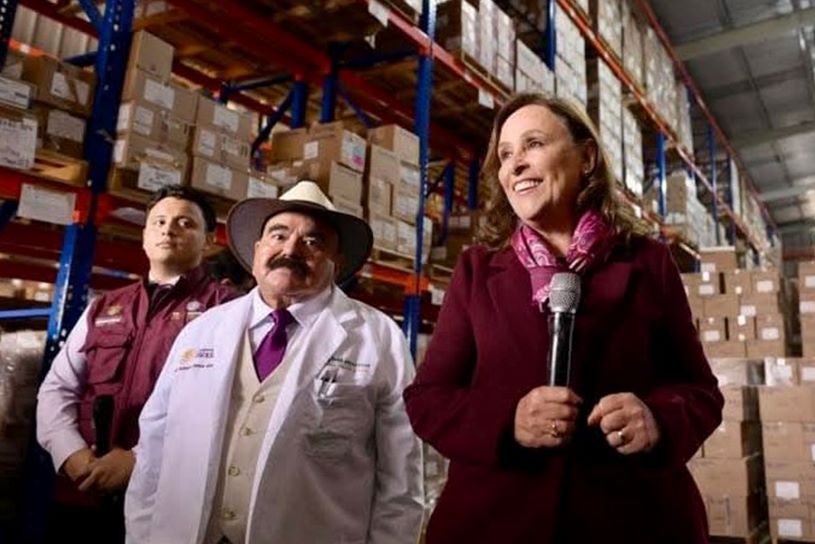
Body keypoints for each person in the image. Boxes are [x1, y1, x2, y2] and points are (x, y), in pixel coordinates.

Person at [403, 93, 724, 543]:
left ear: (586, 158)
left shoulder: (647, 262)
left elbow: (699, 390)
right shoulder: (477, 269)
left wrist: (658, 419)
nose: (515, 164)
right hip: (496, 522)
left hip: (631, 519)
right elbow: (428, 398)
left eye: (533, 144)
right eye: (505, 155)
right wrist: (509, 421)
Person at [124, 181, 423, 544]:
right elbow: (154, 448)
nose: (290, 249)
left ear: (337, 262)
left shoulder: (378, 338)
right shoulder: (202, 330)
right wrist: (142, 535)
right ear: (257, 250)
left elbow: (402, 477)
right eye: (278, 235)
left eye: (312, 242)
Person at [36, 185, 236, 542]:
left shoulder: (227, 309)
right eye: (158, 221)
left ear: (208, 241)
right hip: (83, 489)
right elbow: (58, 388)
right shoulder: (104, 307)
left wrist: (140, 460)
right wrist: (72, 455)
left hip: (166, 499)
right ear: (144, 235)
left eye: (185, 223)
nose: (168, 229)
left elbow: (226, 407)